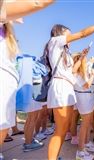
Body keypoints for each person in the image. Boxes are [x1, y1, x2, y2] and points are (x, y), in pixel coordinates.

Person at [45, 18, 94, 159]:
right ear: (60, 33)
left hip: (67, 88)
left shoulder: (64, 52)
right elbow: (82, 34)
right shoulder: (55, 42)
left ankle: (55, 156)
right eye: (68, 34)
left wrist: (82, 57)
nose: (70, 37)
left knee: (63, 130)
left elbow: (72, 71)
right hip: (61, 87)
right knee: (60, 130)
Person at [0, 1, 54, 159]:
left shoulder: (7, 31)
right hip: (8, 83)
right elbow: (37, 2)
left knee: (4, 126)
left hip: (9, 83)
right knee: (30, 118)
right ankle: (28, 142)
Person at [73, 51, 94, 160]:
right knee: (84, 125)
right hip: (84, 100)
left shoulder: (81, 73)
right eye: (84, 60)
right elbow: (86, 85)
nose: (86, 62)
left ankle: (87, 143)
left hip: (88, 99)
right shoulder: (76, 74)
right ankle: (80, 151)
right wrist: (93, 75)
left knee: (87, 124)